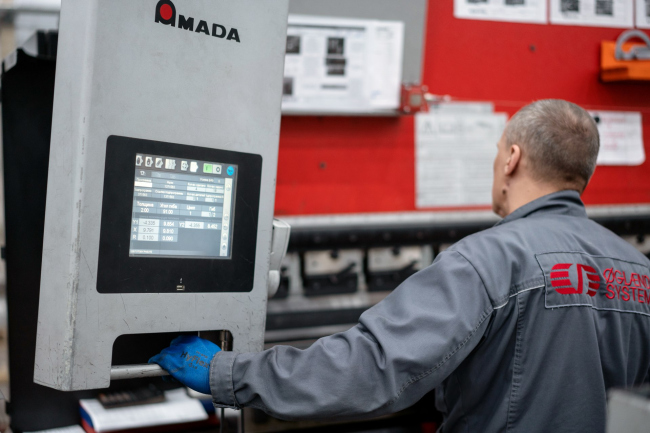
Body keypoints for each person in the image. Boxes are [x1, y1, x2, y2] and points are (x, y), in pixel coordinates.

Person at [150, 100, 650, 433]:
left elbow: (370, 369)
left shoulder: (487, 261)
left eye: (498, 152)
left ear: (512, 159)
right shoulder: (638, 270)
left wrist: (228, 372)